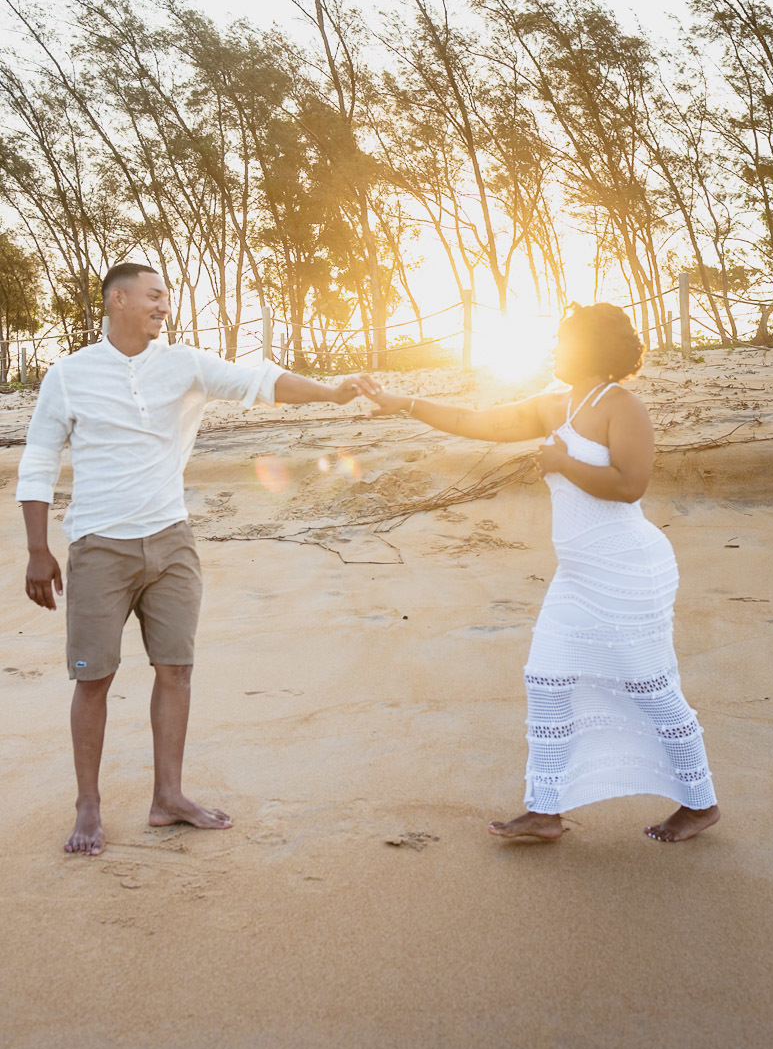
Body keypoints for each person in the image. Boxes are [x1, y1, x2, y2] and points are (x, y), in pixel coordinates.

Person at [18, 263, 367, 857]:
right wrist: (36, 549)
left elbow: (261, 380)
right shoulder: (69, 375)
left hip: (172, 541)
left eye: (167, 298)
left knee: (176, 669)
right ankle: (88, 803)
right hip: (99, 546)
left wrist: (332, 390)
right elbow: (40, 459)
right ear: (118, 299)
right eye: (154, 296)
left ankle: (168, 798)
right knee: (95, 679)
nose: (163, 307)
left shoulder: (185, 365)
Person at [361, 303, 720, 843]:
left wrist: (562, 463)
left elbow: (630, 484)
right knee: (547, 679)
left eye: (563, 340)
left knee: (650, 686)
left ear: (591, 349)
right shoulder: (558, 405)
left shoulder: (622, 406)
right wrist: (403, 403)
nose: (554, 349)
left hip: (626, 569)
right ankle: (545, 808)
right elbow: (476, 422)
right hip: (577, 575)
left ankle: (700, 803)